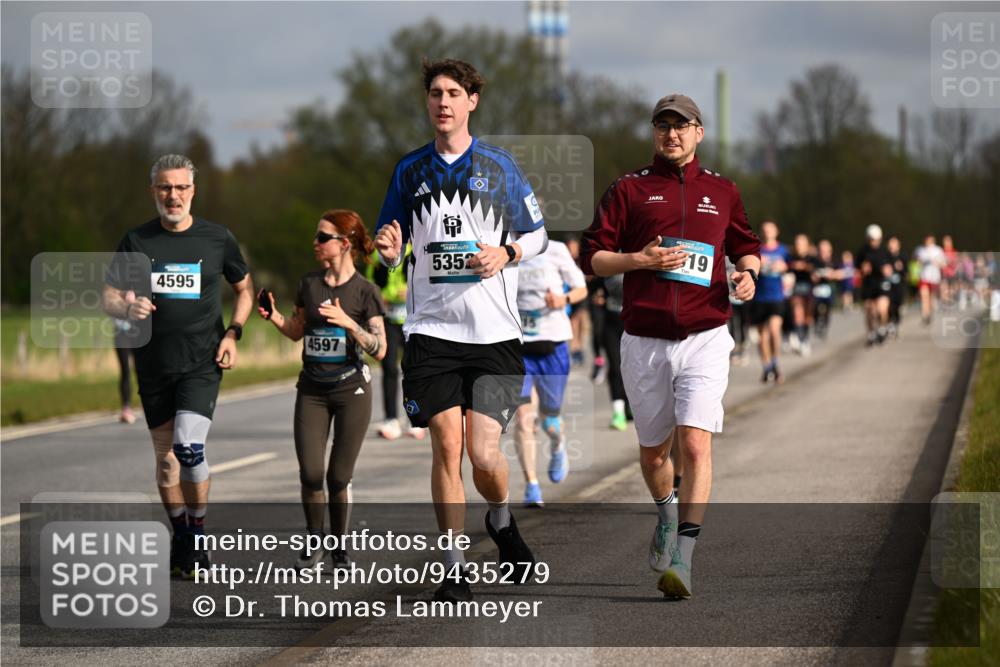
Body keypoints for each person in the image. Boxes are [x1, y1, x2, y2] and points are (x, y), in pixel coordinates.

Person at [373, 59, 548, 603]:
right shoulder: (408, 171)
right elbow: (392, 245)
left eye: (453, 93)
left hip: (495, 336)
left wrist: (508, 251)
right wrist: (389, 252)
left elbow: (539, 236)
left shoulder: (499, 166)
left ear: (472, 101)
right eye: (434, 94)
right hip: (432, 333)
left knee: (485, 458)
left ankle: (499, 518)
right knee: (447, 448)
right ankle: (452, 563)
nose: (442, 102)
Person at [580, 93, 760, 599]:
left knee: (696, 442)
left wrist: (747, 275)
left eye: (682, 126)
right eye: (663, 126)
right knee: (655, 452)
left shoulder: (723, 191)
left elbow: (746, 247)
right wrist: (638, 261)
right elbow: (592, 258)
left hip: (705, 336)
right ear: (654, 133)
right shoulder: (629, 189)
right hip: (644, 340)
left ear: (699, 133)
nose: (672, 134)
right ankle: (664, 513)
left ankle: (685, 555)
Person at [103, 154, 253, 577]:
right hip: (153, 364)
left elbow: (243, 288)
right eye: (165, 188)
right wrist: (127, 307)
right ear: (154, 192)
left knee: (189, 447)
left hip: (202, 362)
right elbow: (109, 294)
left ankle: (197, 536)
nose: (174, 195)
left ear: (193, 191)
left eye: (181, 187)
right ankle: (181, 534)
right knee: (167, 460)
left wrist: (233, 333)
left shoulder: (216, 238)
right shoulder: (137, 240)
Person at [258, 210, 386, 570]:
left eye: (323, 238)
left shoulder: (365, 291)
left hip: (351, 391)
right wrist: (274, 318)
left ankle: (340, 547)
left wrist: (349, 324)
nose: (315, 243)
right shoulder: (308, 284)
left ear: (344, 244)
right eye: (316, 237)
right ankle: (314, 543)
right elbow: (297, 330)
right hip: (311, 391)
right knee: (311, 474)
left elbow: (381, 348)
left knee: (338, 477)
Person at [512, 239, 587, 506]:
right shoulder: (503, 249)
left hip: (553, 344)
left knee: (549, 420)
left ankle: (558, 444)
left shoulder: (555, 249)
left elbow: (581, 289)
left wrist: (563, 299)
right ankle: (532, 486)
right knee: (523, 419)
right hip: (518, 348)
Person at [366, 245, 425, 441]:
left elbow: (427, 282)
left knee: (413, 369)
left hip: (413, 319)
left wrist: (410, 291)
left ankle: (414, 418)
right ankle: (391, 419)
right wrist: (380, 297)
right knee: (389, 368)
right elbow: (369, 283)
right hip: (388, 319)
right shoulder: (377, 255)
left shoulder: (417, 248)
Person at [752, 221, 788, 383]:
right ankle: (766, 368)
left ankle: (775, 363)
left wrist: (784, 267)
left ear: (776, 232)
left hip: (777, 297)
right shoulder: (757, 250)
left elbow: (791, 266)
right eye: (764, 230)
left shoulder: (783, 250)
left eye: (770, 230)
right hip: (760, 297)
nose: (767, 233)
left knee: (774, 330)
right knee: (762, 337)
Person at [857, 224, 893, 347]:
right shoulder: (863, 251)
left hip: (881, 283)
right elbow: (857, 268)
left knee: (882, 309)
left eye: (876, 239)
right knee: (869, 310)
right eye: (872, 239)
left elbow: (891, 268)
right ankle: (871, 333)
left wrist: (888, 270)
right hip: (868, 284)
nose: (874, 242)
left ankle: (882, 328)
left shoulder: (884, 251)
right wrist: (862, 269)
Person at [787, 234, 817, 356]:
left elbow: (818, 271)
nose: (799, 246)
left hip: (809, 290)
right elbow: (786, 268)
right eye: (797, 243)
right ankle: (798, 338)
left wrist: (806, 267)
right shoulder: (791, 257)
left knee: (807, 317)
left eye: (802, 243)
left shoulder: (812, 258)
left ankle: (805, 339)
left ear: (807, 245)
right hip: (796, 290)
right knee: (797, 313)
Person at [914, 235, 945, 325]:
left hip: (934, 278)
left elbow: (943, 264)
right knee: (924, 295)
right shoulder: (920, 250)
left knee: (931, 297)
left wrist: (937, 262)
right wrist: (919, 261)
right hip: (924, 277)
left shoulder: (938, 250)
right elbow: (916, 261)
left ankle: (930, 313)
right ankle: (925, 314)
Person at [812, 240, 839, 340]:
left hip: (829, 288)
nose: (823, 252)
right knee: (815, 307)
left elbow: (840, 273)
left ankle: (825, 325)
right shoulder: (814, 261)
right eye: (821, 250)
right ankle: (817, 323)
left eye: (825, 250)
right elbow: (810, 271)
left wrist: (833, 275)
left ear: (830, 251)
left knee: (828, 308)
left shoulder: (833, 262)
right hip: (817, 289)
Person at [113, 318, 137, 423]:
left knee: (142, 369)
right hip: (121, 332)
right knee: (125, 370)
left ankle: (151, 403)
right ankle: (126, 407)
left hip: (139, 331)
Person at [886, 236, 907, 338]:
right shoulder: (885, 257)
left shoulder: (903, 257)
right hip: (888, 285)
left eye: (894, 244)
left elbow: (907, 273)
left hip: (899, 286)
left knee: (897, 306)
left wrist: (901, 268)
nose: (891, 246)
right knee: (889, 306)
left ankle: (896, 323)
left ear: (898, 246)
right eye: (890, 244)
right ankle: (890, 323)